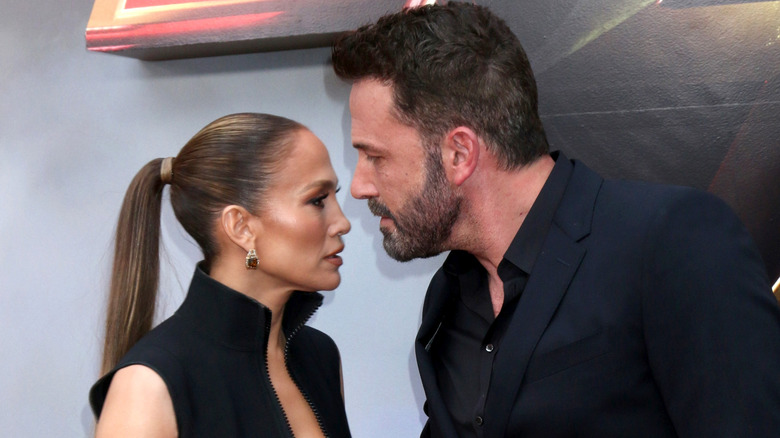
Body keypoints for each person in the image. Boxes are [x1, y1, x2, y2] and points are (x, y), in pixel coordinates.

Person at [331, 3, 780, 437]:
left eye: (375, 157)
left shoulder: (671, 241)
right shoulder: (449, 295)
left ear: (459, 153)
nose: (360, 187)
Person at [89, 113, 352, 437]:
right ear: (241, 228)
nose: (342, 222)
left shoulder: (320, 358)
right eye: (317, 200)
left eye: (334, 196)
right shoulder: (148, 386)